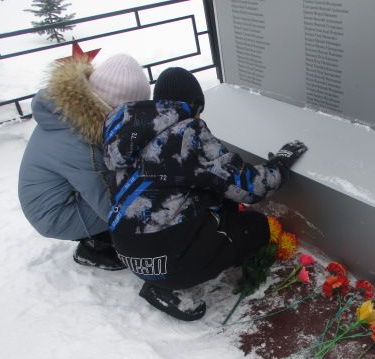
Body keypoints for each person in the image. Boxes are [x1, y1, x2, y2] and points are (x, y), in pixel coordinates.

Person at [103, 66, 307, 320]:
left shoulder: (123, 127)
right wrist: (281, 164)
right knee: (256, 228)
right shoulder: (186, 132)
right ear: (194, 105)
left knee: (216, 199)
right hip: (168, 257)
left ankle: (162, 280)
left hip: (127, 248)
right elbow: (250, 187)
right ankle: (170, 285)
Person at [18, 53, 151, 269]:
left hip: (61, 194)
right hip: (55, 214)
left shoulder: (73, 112)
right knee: (144, 196)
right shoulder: (82, 146)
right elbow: (112, 206)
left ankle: (100, 237)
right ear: (113, 110)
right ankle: (96, 246)